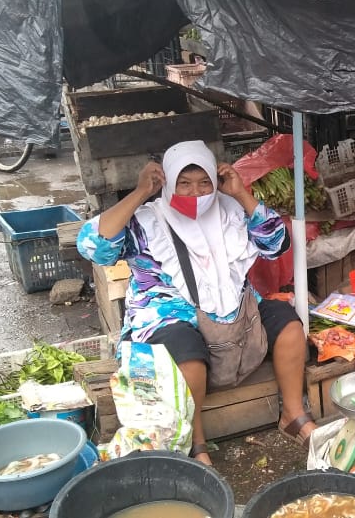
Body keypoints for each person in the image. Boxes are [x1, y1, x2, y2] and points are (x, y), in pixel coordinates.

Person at [77, 140, 316, 465]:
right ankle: (196, 443)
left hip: (234, 313)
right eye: (184, 184)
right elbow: (94, 246)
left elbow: (276, 244)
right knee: (187, 352)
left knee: (288, 323)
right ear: (169, 182)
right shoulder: (147, 222)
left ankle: (293, 414)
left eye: (204, 183)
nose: (195, 193)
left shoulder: (230, 212)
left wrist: (241, 193)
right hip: (166, 316)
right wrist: (138, 193)